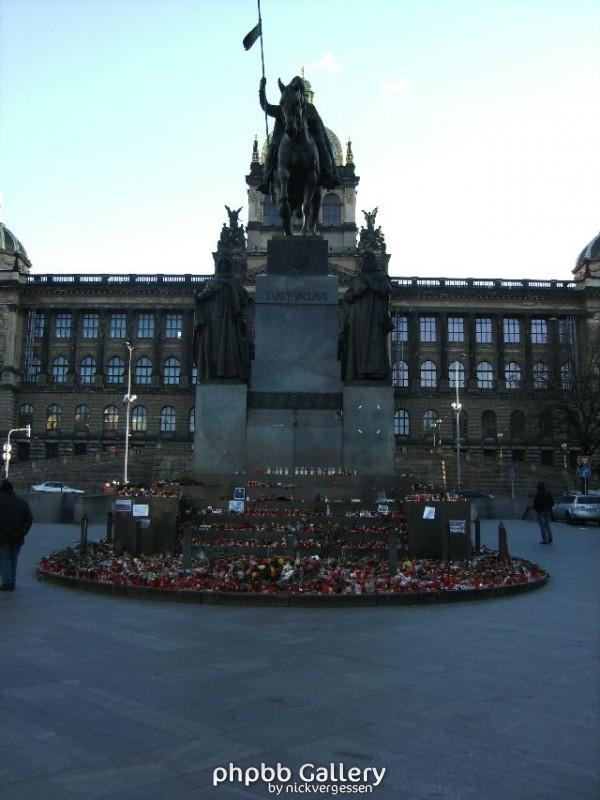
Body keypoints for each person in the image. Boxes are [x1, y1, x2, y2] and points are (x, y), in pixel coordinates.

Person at [258, 76, 340, 195]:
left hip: (310, 140)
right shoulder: (283, 108)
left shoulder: (310, 108)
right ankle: (265, 180)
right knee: (272, 150)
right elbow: (266, 106)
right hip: (284, 137)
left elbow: (318, 128)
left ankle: (329, 174)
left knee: (322, 147)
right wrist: (262, 89)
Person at [0, 479, 33, 591]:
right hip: (18, 537)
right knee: (13, 559)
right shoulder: (22, 503)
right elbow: (29, 520)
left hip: (3, 537)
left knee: (5, 559)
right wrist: (22, 532)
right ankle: (12, 581)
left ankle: (7, 583)